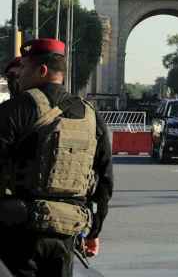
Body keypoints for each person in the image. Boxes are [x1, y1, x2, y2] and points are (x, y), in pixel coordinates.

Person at [0, 38, 113, 277]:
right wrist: (93, 232)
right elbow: (104, 181)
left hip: (19, 230)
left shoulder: (16, 109)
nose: (19, 76)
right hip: (66, 231)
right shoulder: (91, 116)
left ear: (41, 71)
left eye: (24, 69)